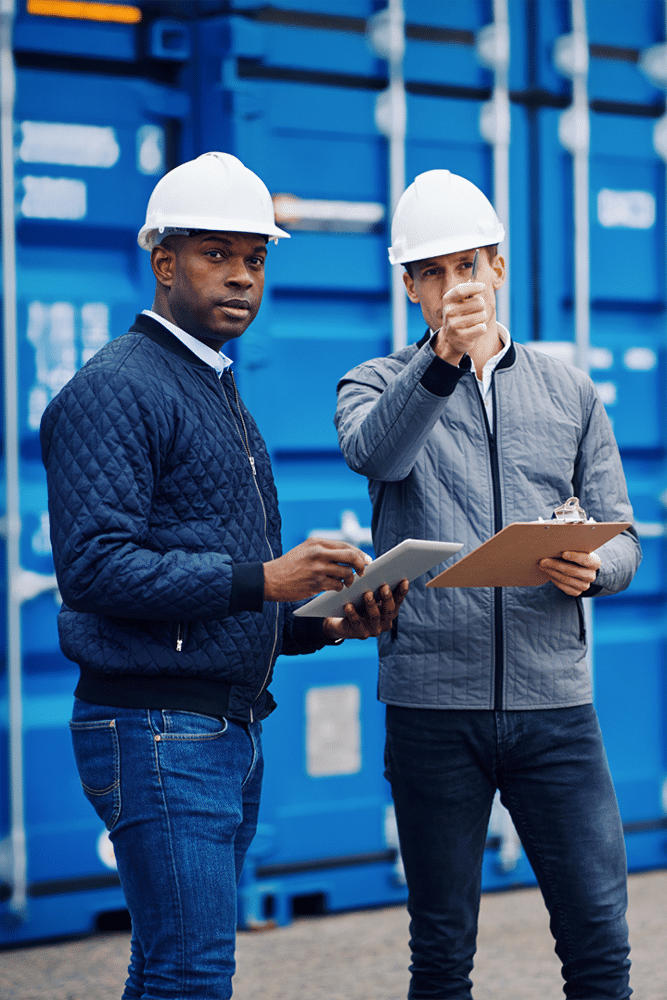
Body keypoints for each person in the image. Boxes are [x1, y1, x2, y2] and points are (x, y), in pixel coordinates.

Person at [40, 151, 407, 1000]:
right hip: (158, 728)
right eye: (217, 254)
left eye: (257, 258)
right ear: (164, 261)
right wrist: (266, 580)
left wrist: (324, 621)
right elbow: (95, 568)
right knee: (190, 975)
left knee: (175, 970)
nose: (242, 277)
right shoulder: (118, 389)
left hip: (219, 727)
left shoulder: (208, 384)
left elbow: (228, 587)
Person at [335, 168, 641, 1000]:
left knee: (598, 943)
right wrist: (438, 365)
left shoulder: (568, 389)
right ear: (408, 287)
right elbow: (379, 456)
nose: (451, 288)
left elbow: (624, 532)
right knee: (440, 952)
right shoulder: (370, 385)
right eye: (430, 273)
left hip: (557, 712)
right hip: (433, 708)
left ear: (498, 268)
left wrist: (595, 566)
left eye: (466, 266)